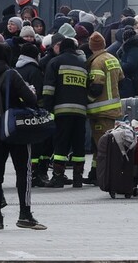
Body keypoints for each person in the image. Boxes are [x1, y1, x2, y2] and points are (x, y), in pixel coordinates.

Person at [0, 43, 46, 230]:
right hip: (16, 130)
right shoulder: (11, 74)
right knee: (23, 171)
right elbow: (31, 99)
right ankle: (25, 215)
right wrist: (30, 92)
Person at [42, 38, 90, 188]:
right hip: (80, 112)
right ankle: (77, 178)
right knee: (78, 145)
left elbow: (49, 88)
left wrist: (47, 110)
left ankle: (57, 177)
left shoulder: (55, 62)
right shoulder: (83, 64)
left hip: (62, 111)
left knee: (61, 144)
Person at [84, 32, 124, 185]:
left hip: (100, 111)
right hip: (112, 109)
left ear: (91, 46)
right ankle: (95, 174)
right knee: (99, 145)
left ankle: (101, 175)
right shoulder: (112, 58)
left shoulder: (97, 63)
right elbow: (121, 80)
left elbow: (96, 87)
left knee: (101, 146)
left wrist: (86, 101)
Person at [15, 43, 50, 187]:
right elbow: (39, 92)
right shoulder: (34, 71)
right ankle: (36, 174)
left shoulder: (16, 69)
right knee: (37, 145)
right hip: (33, 112)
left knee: (23, 146)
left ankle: (25, 174)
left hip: (19, 111)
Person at [118, 27, 138, 99]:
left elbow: (130, 65)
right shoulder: (131, 49)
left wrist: (118, 64)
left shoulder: (134, 50)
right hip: (129, 81)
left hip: (131, 82)